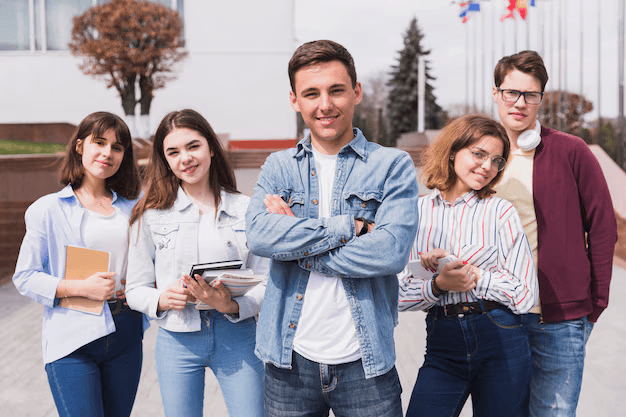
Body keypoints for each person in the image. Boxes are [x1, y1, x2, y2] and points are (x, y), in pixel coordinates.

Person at [245, 40, 419, 417]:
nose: (325, 104)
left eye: (336, 90)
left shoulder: (392, 165)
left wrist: (294, 238)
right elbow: (259, 236)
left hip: (366, 362)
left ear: (356, 92)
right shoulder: (279, 166)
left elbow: (390, 252)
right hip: (288, 361)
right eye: (312, 93)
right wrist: (350, 227)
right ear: (295, 100)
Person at [491, 50, 618, 417]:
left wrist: (597, 301)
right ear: (496, 93)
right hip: (496, 313)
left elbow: (603, 226)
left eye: (530, 95)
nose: (519, 103)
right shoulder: (479, 154)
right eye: (511, 92)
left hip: (559, 318)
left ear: (540, 100)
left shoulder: (570, 150)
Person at [125, 109, 267, 417]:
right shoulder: (148, 215)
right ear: (165, 160)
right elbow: (134, 288)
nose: (185, 158)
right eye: (173, 152)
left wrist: (231, 305)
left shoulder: (248, 209)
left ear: (211, 148)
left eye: (193, 146)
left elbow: (268, 280)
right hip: (177, 340)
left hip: (239, 336)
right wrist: (162, 298)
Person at [397, 114, 538, 417]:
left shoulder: (501, 212)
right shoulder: (417, 212)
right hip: (442, 342)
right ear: (451, 152)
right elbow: (396, 295)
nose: (487, 166)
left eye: (497, 160)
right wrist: (437, 285)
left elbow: (526, 295)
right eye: (479, 154)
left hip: (501, 339)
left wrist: (476, 276)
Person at [12, 112, 143, 417]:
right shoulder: (48, 209)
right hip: (73, 335)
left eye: (117, 147)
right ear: (80, 146)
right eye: (100, 142)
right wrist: (81, 287)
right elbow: (25, 276)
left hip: (125, 330)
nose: (107, 153)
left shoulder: (135, 208)